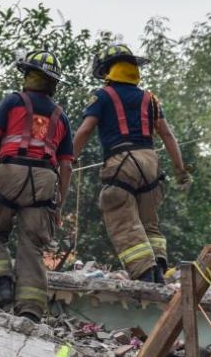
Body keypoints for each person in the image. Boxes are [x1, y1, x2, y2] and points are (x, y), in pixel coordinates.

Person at [0, 49, 72, 321]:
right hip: (45, 181)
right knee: (32, 246)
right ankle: (31, 311)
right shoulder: (61, 116)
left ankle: (1, 285)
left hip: (11, 172)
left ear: (27, 76)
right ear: (53, 83)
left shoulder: (13, 102)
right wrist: (59, 204)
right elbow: (66, 166)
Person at [72, 43, 190, 283]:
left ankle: (146, 274)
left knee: (120, 216)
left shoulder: (102, 96)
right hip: (150, 163)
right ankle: (158, 267)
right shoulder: (150, 99)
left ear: (108, 70)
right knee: (149, 222)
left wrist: (67, 159)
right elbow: (167, 135)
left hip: (121, 162)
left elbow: (84, 130)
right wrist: (180, 170)